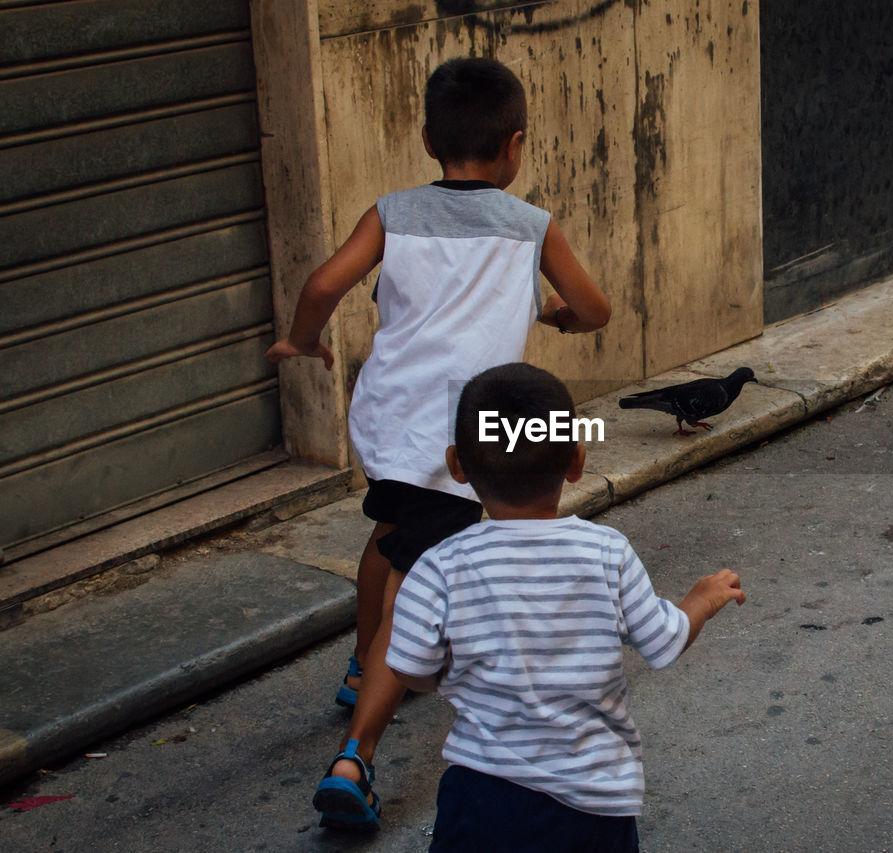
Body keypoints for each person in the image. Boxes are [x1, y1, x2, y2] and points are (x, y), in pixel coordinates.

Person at [265, 57, 611, 829]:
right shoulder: (532, 227)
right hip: (467, 434)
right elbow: (596, 309)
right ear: (516, 146)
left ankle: (361, 668)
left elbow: (324, 285)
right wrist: (554, 316)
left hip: (390, 418)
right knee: (418, 586)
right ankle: (356, 757)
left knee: (393, 533)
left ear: (427, 139)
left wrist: (303, 342)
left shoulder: (392, 211)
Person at [385, 362, 746, 852]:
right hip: (594, 800)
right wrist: (698, 601)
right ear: (577, 462)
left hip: (481, 800)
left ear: (456, 466)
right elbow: (663, 641)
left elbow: (409, 669)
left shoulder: (438, 568)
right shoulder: (607, 553)